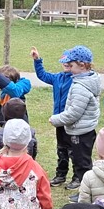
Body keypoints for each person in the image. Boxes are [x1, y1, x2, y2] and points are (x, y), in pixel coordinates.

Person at [48, 46, 102, 192]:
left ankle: (84, 189)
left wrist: (56, 119)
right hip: (85, 129)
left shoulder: (80, 87)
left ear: (82, 65)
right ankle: (82, 187)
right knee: (81, 160)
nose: (69, 68)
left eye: (71, 65)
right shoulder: (89, 80)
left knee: (82, 162)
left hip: (80, 131)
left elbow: (74, 113)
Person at [31, 45, 75, 186]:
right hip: (59, 120)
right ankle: (61, 175)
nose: (66, 64)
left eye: (69, 62)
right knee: (61, 148)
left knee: (73, 150)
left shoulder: (76, 80)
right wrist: (37, 60)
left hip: (71, 120)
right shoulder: (57, 78)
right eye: (64, 62)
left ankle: (77, 177)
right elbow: (42, 75)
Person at [0, 98, 37, 174]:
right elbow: (33, 153)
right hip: (24, 169)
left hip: (3, 171)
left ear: (4, 114)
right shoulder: (30, 132)